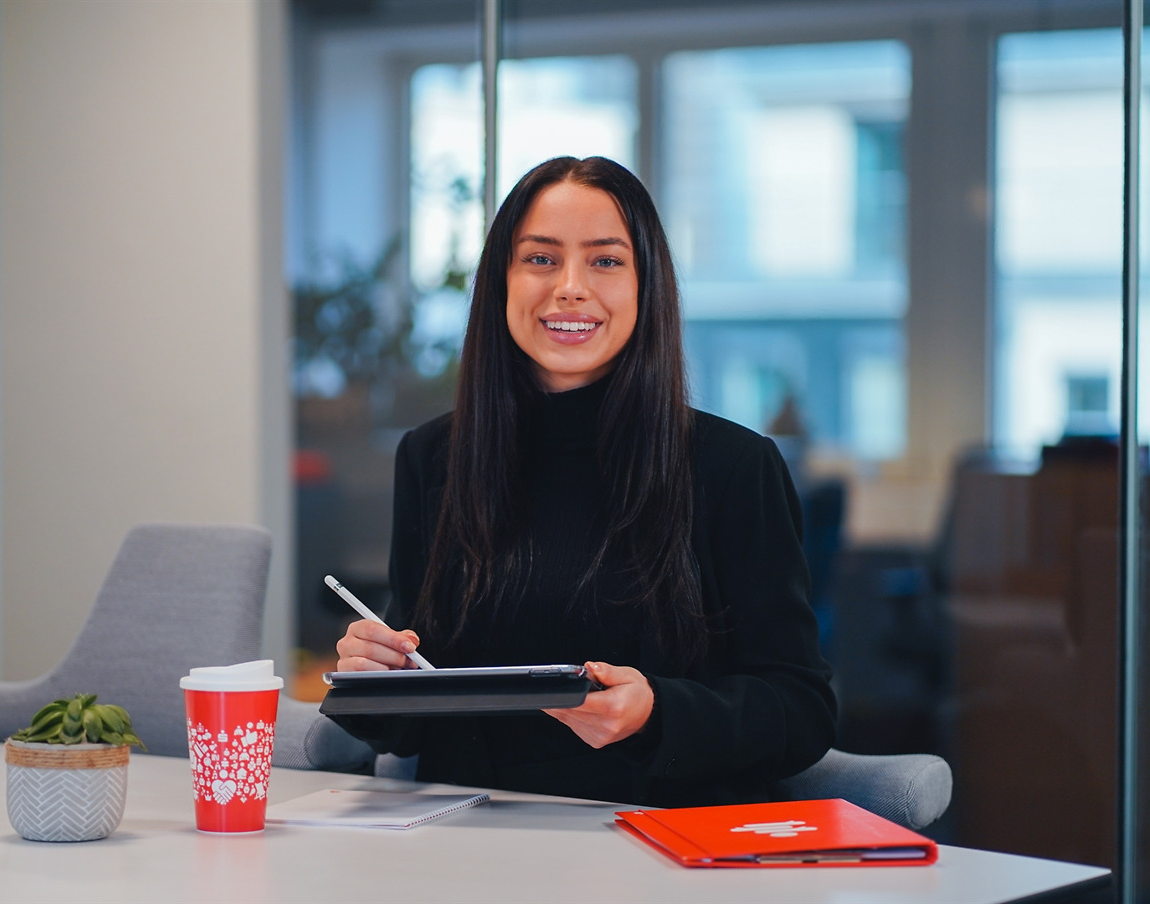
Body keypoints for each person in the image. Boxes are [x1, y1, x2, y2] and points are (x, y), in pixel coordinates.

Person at [331, 156, 836, 808]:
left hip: (660, 841)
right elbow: (412, 719)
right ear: (501, 283)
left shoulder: (731, 464)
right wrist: (374, 678)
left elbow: (801, 708)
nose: (569, 287)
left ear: (645, 285)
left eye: (604, 261)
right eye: (541, 259)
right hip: (468, 840)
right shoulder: (434, 457)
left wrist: (660, 712)